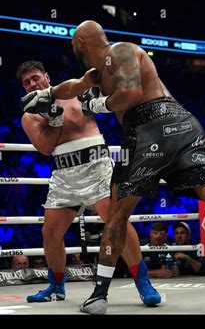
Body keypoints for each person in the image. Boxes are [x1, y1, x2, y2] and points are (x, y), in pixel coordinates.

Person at [23, 21, 205, 315]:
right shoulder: (97, 73)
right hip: (183, 126)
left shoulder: (123, 50)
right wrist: (46, 96)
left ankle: (99, 294)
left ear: (81, 43)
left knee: (116, 217)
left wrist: (96, 106)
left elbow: (131, 94)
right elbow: (72, 87)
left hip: (146, 128)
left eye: (73, 44)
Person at [18, 60, 160, 304]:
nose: (32, 84)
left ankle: (143, 282)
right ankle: (56, 287)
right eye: (27, 82)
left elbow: (95, 87)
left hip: (96, 168)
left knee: (117, 224)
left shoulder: (72, 92)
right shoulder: (30, 116)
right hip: (64, 176)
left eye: (35, 78)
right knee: (50, 233)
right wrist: (54, 119)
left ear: (47, 77)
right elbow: (45, 147)